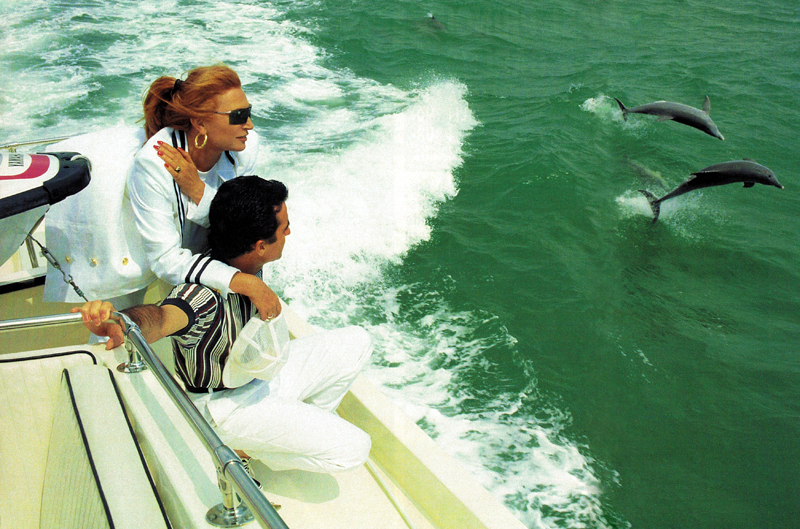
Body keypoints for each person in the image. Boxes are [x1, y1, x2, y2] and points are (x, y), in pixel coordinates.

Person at [75, 176, 373, 475]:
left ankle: (294, 428)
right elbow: (162, 318)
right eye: (284, 228)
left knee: (357, 341)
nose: (289, 232)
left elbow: (227, 206)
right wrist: (121, 321)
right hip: (224, 408)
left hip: (258, 378)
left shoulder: (244, 261)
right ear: (259, 246)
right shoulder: (202, 294)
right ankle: (243, 448)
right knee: (354, 450)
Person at [128, 63, 282, 320]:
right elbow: (165, 259)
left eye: (249, 112)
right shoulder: (154, 163)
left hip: (199, 257)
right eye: (238, 115)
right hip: (136, 255)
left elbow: (240, 227)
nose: (250, 125)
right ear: (200, 123)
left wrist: (199, 191)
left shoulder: (244, 148)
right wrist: (243, 282)